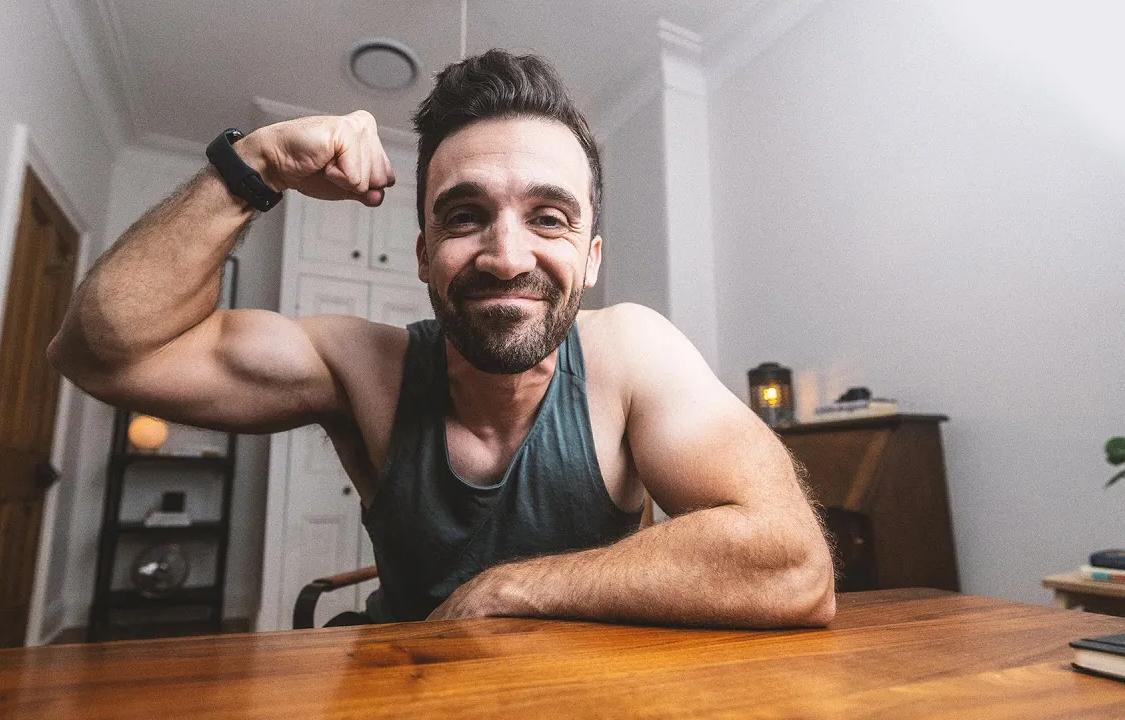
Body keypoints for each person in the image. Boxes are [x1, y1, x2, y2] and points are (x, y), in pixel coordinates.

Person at [48, 50, 835, 628]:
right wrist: (254, 163)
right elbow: (105, 353)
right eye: (465, 216)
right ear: (424, 254)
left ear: (592, 258)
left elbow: (793, 563)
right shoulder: (363, 369)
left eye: (549, 218)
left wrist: (506, 590)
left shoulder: (632, 353)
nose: (507, 256)